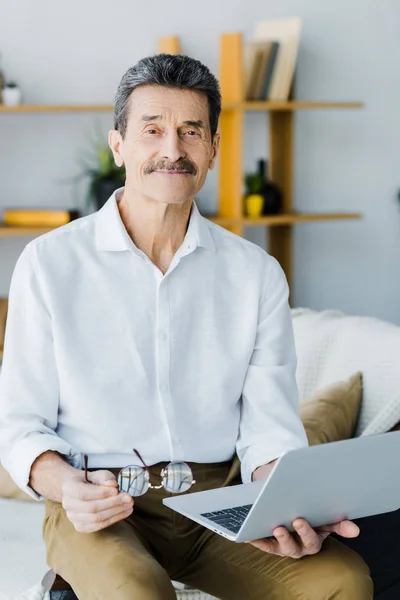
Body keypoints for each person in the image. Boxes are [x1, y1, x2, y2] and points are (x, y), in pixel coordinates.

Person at [0, 53, 372, 600]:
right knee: (138, 591)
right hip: (101, 503)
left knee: (341, 580)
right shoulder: (50, 263)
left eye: (190, 131)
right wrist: (66, 487)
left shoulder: (255, 274)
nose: (172, 149)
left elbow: (268, 426)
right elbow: (19, 423)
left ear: (213, 149)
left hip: (218, 502)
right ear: (119, 144)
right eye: (152, 130)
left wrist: (285, 504)